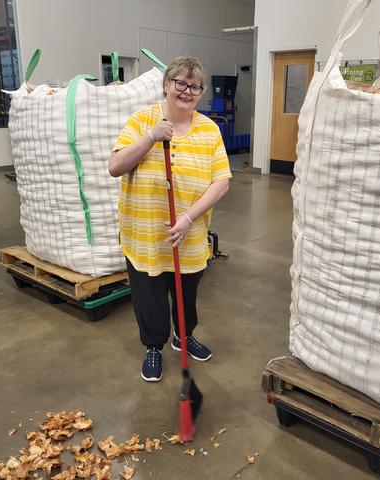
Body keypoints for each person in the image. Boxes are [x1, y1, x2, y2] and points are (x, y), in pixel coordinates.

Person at [110, 56, 231, 382]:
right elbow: (115, 166)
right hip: (145, 236)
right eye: (180, 83)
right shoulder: (141, 121)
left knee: (186, 294)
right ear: (166, 85)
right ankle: (153, 346)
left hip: (189, 235)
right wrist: (151, 137)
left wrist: (188, 218)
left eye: (195, 86)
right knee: (149, 297)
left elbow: (221, 181)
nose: (187, 91)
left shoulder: (209, 129)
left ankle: (184, 335)